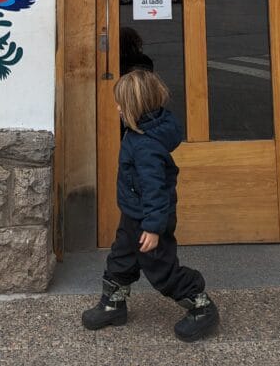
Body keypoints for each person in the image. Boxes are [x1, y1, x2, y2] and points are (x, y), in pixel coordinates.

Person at [81, 69, 219, 342]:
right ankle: (113, 304)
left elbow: (156, 190)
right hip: (134, 215)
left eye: (121, 103)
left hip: (150, 220)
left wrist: (154, 229)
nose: (117, 108)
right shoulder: (141, 132)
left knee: (162, 270)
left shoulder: (146, 146)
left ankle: (201, 305)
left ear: (133, 108)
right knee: (121, 257)